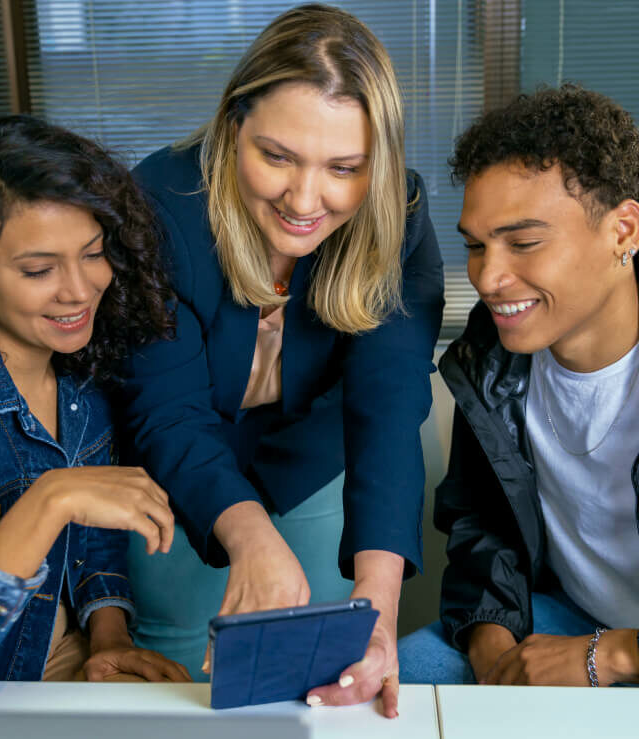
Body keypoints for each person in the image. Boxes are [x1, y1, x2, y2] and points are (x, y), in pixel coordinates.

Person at [118, 3, 444, 715]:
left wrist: (379, 611)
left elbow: (387, 409)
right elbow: (167, 410)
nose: (304, 199)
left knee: (318, 683)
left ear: (377, 163)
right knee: (178, 688)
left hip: (308, 467)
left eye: (343, 168)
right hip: (175, 480)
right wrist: (245, 532)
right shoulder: (157, 205)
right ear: (234, 124)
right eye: (276, 156)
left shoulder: (401, 214)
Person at [0, 115, 191, 708]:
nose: (79, 290)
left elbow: (92, 538)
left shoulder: (81, 369)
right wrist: (48, 500)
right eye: (39, 270)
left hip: (62, 673)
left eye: (93, 254)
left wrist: (107, 639)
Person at [398, 84, 639, 687]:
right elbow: (481, 526)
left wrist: (614, 657)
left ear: (623, 231)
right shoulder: (490, 357)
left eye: (524, 242)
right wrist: (493, 648)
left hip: (623, 647)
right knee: (397, 681)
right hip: (571, 619)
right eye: (475, 245)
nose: (489, 276)